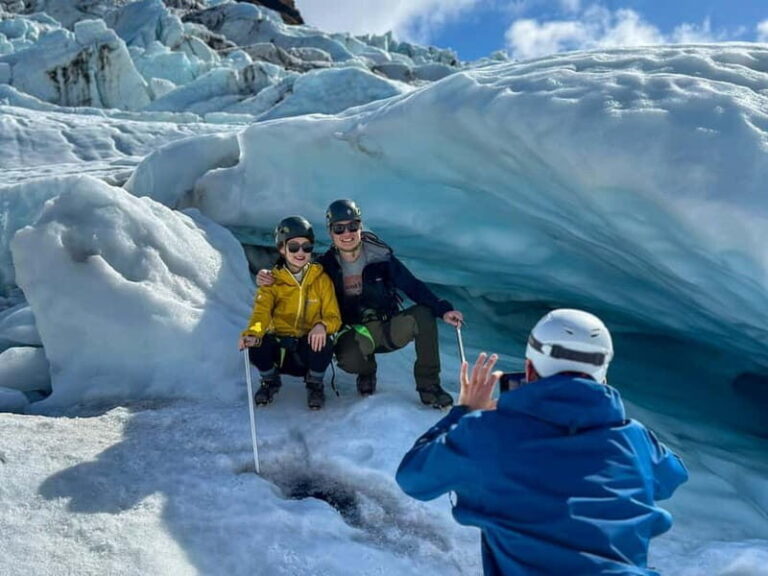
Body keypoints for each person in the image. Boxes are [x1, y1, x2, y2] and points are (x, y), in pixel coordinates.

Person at [396, 309, 688, 575]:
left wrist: (464, 412)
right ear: (602, 374)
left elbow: (413, 477)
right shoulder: (636, 439)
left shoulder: (486, 433)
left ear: (529, 369)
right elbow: (672, 475)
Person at [257, 199, 464, 408]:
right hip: (353, 334)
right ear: (330, 232)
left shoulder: (380, 257)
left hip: (386, 327)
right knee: (349, 359)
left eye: (352, 226)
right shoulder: (325, 266)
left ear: (360, 226)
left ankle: (429, 388)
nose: (346, 234)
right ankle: (366, 370)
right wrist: (269, 275)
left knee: (424, 315)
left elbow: (412, 286)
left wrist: (443, 309)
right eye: (339, 228)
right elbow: (295, 271)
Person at [239, 216, 341, 410]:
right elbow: (261, 315)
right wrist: (253, 332)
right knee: (258, 343)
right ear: (281, 249)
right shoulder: (271, 281)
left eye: (307, 247)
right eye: (293, 247)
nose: (300, 253)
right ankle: (270, 380)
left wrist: (322, 325)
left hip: (306, 353)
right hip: (281, 352)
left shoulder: (321, 280)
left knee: (324, 341)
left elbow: (333, 317)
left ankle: (315, 383)